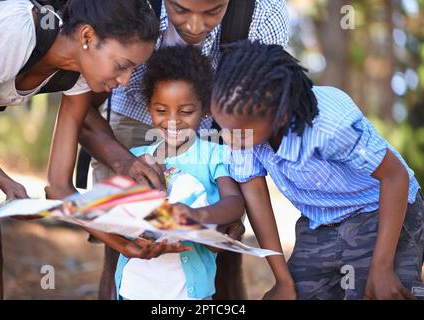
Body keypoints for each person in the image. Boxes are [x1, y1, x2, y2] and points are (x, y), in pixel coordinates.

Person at [80, 0, 289, 300]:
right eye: (181, 10)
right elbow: (79, 108)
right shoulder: (142, 153)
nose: (194, 27)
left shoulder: (265, 12)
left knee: (225, 257)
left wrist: (204, 216)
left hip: (223, 125)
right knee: (116, 259)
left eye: (212, 12)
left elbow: (233, 201)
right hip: (131, 116)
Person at [0, 0, 165, 299]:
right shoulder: (16, 28)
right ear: (87, 37)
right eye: (122, 66)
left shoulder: (77, 74)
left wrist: (123, 243)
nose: (126, 80)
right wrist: (6, 182)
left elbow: (61, 188)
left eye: (133, 70)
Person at [211, 40, 424, 300]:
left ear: (278, 116)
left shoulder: (328, 126)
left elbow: (395, 176)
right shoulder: (242, 129)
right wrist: (282, 280)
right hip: (320, 222)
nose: (229, 140)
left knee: (379, 291)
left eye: (239, 134)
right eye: (223, 128)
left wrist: (381, 269)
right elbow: (254, 194)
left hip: (380, 210)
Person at [114, 45, 245, 300]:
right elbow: (117, 212)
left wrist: (197, 215)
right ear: (148, 108)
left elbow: (234, 203)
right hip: (136, 287)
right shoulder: (137, 158)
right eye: (161, 110)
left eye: (185, 111)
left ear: (206, 109)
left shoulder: (214, 155)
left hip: (189, 291)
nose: (173, 121)